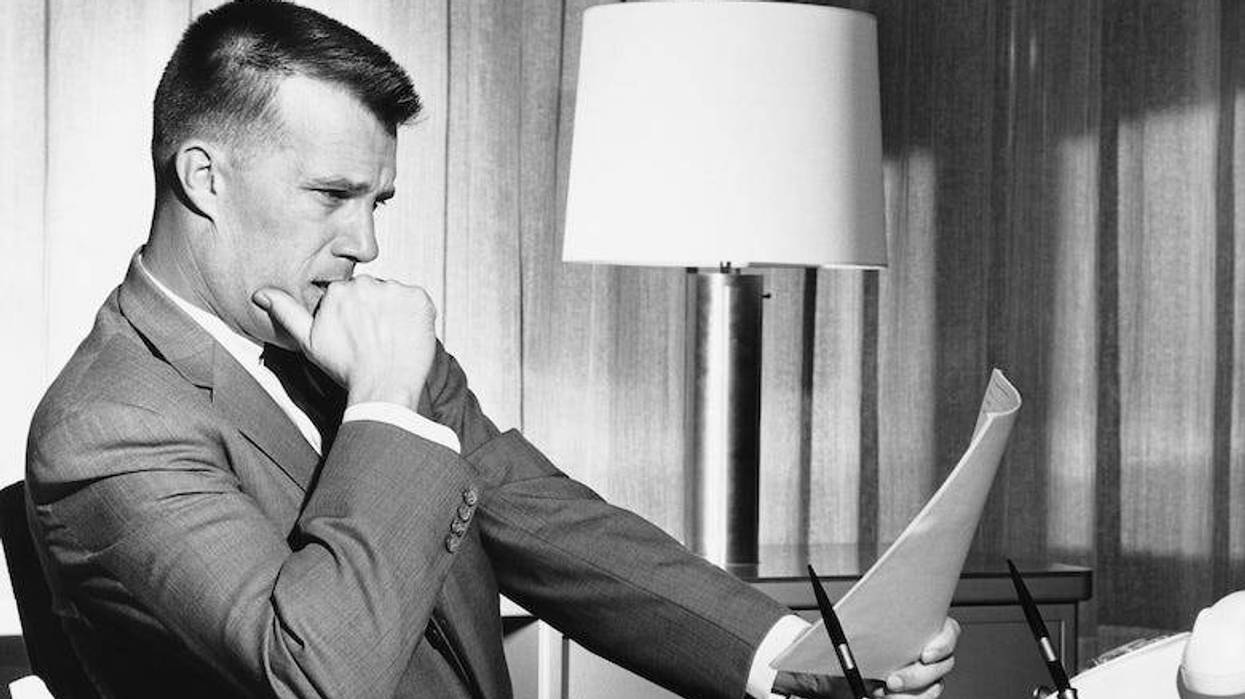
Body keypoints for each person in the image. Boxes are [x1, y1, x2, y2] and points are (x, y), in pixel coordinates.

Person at [24, 1, 958, 697]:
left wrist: (789, 655)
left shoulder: (339, 329)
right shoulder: (109, 422)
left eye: (377, 201)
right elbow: (317, 672)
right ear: (203, 177)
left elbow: (542, 522)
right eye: (330, 194)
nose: (368, 245)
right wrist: (386, 403)